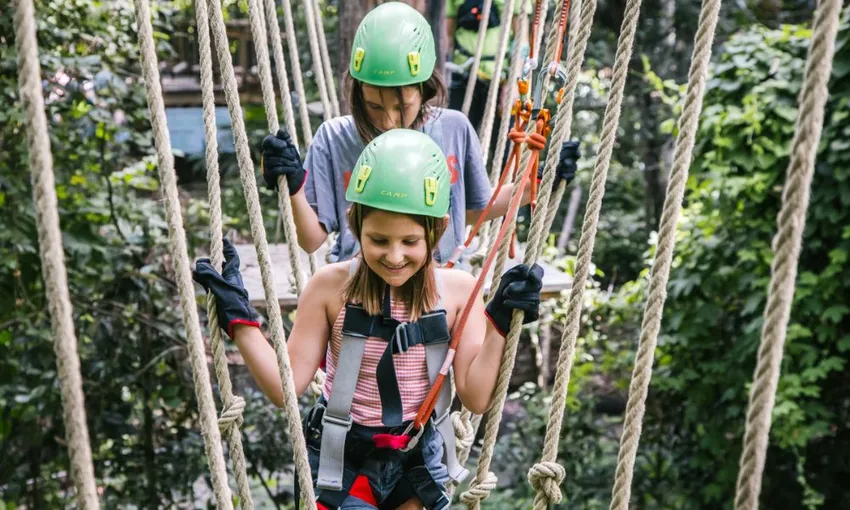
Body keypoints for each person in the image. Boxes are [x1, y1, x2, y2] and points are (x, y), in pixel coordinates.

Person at [194, 130, 544, 509]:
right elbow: (285, 386)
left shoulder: (459, 292)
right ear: (355, 225)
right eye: (378, 240)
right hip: (342, 460)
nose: (394, 256)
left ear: (437, 230)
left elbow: (476, 398)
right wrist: (239, 317)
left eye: (410, 242)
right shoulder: (330, 288)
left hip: (416, 458)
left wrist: (499, 325)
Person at [260, 1, 578, 266]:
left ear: (425, 90)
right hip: (359, 292)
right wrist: (293, 185)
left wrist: (541, 179)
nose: (388, 122)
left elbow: (473, 211)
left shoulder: (453, 128)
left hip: (443, 289)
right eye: (373, 107)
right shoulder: (335, 138)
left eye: (402, 107)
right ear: (356, 93)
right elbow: (311, 239)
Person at [444, 0, 527, 132]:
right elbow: (447, 36)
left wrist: (514, 84)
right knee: (455, 136)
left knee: (505, 138)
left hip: (500, 80)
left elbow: (522, 40)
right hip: (462, 76)